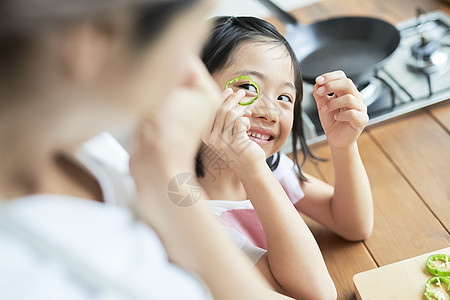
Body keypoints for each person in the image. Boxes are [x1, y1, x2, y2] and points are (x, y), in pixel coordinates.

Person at [0, 1, 293, 299]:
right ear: (99, 40)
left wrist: (168, 173)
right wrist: (172, 172)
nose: (196, 76)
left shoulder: (88, 145)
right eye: (189, 42)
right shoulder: (35, 278)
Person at [196, 16, 374, 299]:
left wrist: (343, 146)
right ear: (195, 90)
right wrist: (252, 168)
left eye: (284, 97)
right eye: (248, 87)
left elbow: (354, 225)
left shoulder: (273, 167)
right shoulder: (192, 218)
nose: (270, 111)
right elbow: (316, 293)